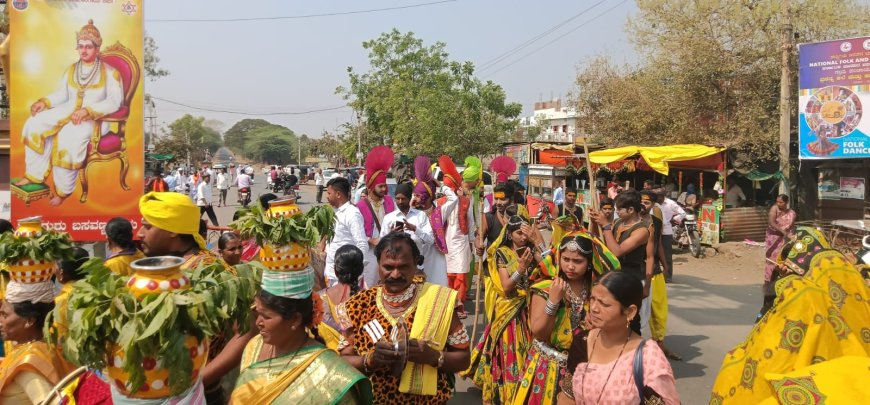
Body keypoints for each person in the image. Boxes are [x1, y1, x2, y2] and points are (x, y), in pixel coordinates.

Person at [711, 228, 870, 404]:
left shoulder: (800, 294)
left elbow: (769, 358)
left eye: (787, 260)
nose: (783, 266)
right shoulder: (850, 278)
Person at [137, 192, 250, 404]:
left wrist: (199, 381)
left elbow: (244, 332)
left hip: (201, 394)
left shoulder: (211, 271)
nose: (140, 233)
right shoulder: (160, 266)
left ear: (172, 230)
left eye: (148, 226)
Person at [337, 232, 471, 404]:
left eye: (403, 267)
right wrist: (368, 360)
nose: (395, 274)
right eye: (388, 267)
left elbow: (464, 359)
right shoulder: (357, 306)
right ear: (378, 264)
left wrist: (433, 356)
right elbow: (342, 361)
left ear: (416, 264)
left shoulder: (440, 301)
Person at [13, 19, 123, 206]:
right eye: (80, 46)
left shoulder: (111, 73)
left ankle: (63, 191)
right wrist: (44, 102)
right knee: (34, 123)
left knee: (68, 136)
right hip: (67, 110)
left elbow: (114, 102)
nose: (84, 50)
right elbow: (61, 94)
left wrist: (88, 111)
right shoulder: (72, 69)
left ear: (97, 48)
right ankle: (34, 176)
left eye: (88, 47)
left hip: (96, 119)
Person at [231, 259, 372, 404]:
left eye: (266, 316)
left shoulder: (331, 375)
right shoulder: (254, 347)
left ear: (295, 320)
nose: (258, 323)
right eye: (258, 314)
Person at [513, 233, 620, 405]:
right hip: (548, 368)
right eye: (566, 259)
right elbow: (539, 333)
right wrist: (553, 302)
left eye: (578, 262)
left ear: (590, 263)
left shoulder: (597, 291)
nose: (570, 266)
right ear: (558, 258)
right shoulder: (545, 287)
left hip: (586, 367)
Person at [563, 272, 680, 404]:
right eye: (592, 299)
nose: (594, 308)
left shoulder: (648, 358)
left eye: (604, 304)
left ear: (630, 312)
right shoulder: (582, 342)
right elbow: (567, 396)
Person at [463, 215, 542, 404]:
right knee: (509, 351)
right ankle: (508, 391)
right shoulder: (503, 253)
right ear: (509, 234)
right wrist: (520, 269)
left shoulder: (531, 250)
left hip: (529, 308)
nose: (523, 237)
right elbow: (506, 286)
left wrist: (538, 244)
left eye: (526, 233)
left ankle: (525, 389)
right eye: (518, 233)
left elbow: (548, 268)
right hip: (508, 309)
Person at [590, 189, 654, 335]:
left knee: (631, 321)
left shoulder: (642, 230)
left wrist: (606, 226)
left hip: (632, 279)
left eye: (619, 209)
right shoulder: (618, 222)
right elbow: (600, 243)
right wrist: (595, 223)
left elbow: (616, 252)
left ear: (631, 209)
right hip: (616, 277)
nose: (616, 212)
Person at [0, 278, 75, 403]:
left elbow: (50, 401)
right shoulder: (45, 347)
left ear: (29, 320)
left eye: (4, 315)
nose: (0, 321)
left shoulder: (29, 363)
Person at [639, 191, 681, 361]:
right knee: (638, 312)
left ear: (653, 205)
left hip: (654, 271)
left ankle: (660, 344)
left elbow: (659, 245)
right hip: (636, 272)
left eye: (647, 203)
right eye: (641, 202)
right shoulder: (628, 222)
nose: (643, 205)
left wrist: (665, 265)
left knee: (659, 309)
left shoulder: (655, 221)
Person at [438, 155, 476, 319]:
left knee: (460, 273)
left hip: (461, 241)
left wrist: (472, 242)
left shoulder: (466, 201)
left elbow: (471, 222)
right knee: (448, 274)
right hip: (445, 242)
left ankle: (459, 305)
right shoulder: (440, 202)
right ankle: (449, 304)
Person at [411, 156, 454, 287]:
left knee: (437, 288)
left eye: (418, 195)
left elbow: (454, 199)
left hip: (436, 256)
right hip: (417, 256)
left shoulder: (439, 211)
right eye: (414, 195)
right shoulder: (414, 213)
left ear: (427, 196)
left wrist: (442, 187)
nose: (415, 198)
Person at [358, 146, 397, 287]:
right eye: (380, 186)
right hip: (370, 252)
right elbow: (356, 232)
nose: (384, 189)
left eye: (385, 186)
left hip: (389, 250)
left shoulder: (390, 201)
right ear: (371, 186)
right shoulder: (360, 206)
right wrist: (370, 240)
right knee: (371, 284)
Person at [380, 183, 435, 276]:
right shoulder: (389, 218)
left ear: (409, 198)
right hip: (396, 268)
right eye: (397, 198)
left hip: (417, 266)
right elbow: (381, 245)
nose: (400, 202)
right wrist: (392, 234)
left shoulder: (420, 215)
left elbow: (430, 240)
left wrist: (415, 229)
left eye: (403, 199)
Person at [324, 177, 370, 287]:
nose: (327, 197)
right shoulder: (334, 212)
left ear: (338, 194)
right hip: (332, 273)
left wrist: (354, 275)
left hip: (345, 279)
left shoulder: (352, 213)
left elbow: (362, 244)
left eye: (329, 193)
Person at [317, 245, 365, 351]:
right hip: (358, 363)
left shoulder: (318, 299)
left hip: (326, 363)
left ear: (335, 270)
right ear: (361, 270)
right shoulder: (369, 299)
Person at [761, 194, 796, 319]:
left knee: (783, 259)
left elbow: (790, 226)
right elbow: (771, 221)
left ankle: (781, 278)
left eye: (781, 202)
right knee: (771, 259)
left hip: (785, 239)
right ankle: (769, 280)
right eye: (777, 202)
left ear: (786, 203)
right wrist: (782, 232)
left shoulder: (791, 213)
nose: (779, 204)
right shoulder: (774, 209)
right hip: (773, 237)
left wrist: (786, 234)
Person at [52, 247, 90, 342]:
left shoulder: (61, 302)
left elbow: (58, 337)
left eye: (55, 265)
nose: (53, 269)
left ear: (61, 272)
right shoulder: (96, 292)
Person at [657, 192, 685, 283]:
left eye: (659, 197)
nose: (658, 200)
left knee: (667, 255)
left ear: (663, 196)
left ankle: (668, 276)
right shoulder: (655, 204)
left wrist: (674, 219)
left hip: (666, 232)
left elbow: (682, 213)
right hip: (655, 231)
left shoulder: (670, 203)